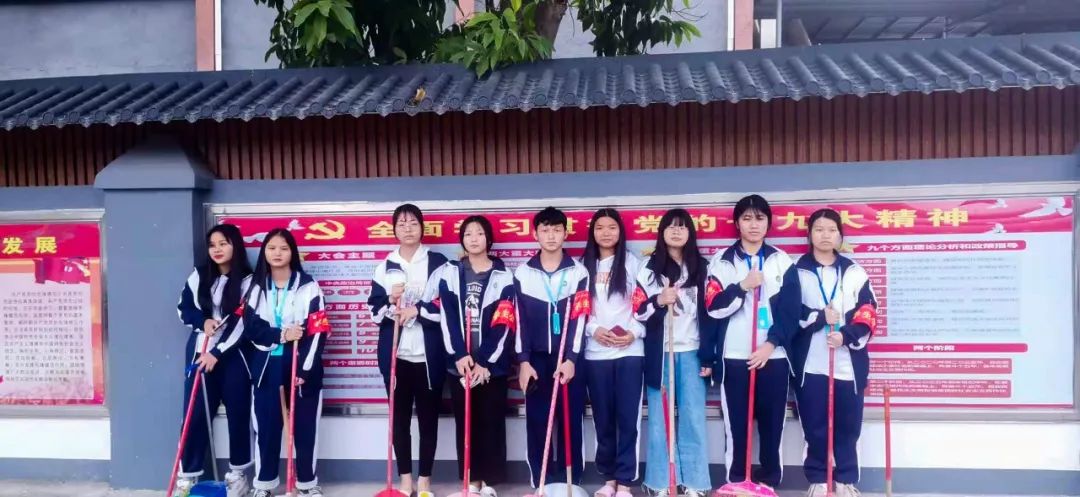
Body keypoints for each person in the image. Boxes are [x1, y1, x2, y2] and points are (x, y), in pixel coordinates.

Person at [776, 209, 878, 497]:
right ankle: (819, 478)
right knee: (814, 425)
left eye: (831, 230)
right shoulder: (796, 271)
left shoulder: (855, 272)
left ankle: (846, 479)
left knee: (849, 425)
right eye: (819, 229)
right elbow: (788, 313)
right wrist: (820, 317)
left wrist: (846, 335)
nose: (825, 235)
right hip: (811, 364)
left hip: (847, 364)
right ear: (809, 235)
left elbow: (869, 312)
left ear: (840, 235)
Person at [702, 194, 794, 490]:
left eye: (760, 218)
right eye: (747, 218)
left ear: (769, 223)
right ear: (737, 223)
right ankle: (737, 483)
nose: (754, 225)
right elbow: (713, 306)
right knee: (736, 427)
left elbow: (791, 313)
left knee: (772, 426)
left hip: (773, 357)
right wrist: (742, 286)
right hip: (734, 357)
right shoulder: (722, 261)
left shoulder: (781, 261)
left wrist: (771, 344)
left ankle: (768, 484)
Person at [367, 203, 449, 497]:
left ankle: (424, 480)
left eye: (413, 223)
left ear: (422, 227)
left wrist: (417, 310)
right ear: (394, 230)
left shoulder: (439, 263)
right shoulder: (385, 265)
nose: (408, 229)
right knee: (399, 421)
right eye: (401, 224)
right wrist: (390, 301)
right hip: (396, 356)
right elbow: (373, 311)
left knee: (428, 420)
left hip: (429, 356)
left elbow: (447, 306)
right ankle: (405, 480)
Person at [243, 228, 330, 497]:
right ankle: (264, 485)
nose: (277, 253)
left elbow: (318, 329)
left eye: (283, 248)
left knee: (305, 428)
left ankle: (307, 484)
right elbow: (251, 328)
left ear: (293, 252)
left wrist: (305, 369)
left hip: (301, 366)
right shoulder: (255, 287)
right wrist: (282, 334)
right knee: (266, 429)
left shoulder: (308, 286)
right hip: (267, 366)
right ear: (264, 253)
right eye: (271, 248)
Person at [633, 208, 713, 497]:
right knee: (659, 419)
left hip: (692, 353)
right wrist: (658, 300)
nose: (676, 231)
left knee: (693, 418)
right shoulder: (648, 268)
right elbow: (637, 311)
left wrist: (709, 356)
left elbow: (712, 315)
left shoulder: (702, 267)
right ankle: (661, 482)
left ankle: (695, 482)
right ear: (662, 232)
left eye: (682, 227)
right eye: (671, 226)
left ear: (690, 232)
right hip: (660, 354)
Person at [435, 215, 515, 497]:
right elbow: (447, 317)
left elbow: (505, 321)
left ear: (488, 239)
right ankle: (471, 479)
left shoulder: (504, 276)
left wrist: (484, 361)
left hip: (491, 366)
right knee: (466, 423)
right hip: (460, 365)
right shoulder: (450, 273)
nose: (473, 238)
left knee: (491, 421)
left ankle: (489, 481)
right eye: (468, 234)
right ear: (462, 240)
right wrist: (459, 354)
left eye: (479, 233)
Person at [174, 224, 254, 497]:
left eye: (223, 243)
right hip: (200, 353)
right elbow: (183, 308)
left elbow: (243, 323)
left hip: (234, 358)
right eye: (212, 245)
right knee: (193, 414)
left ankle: (238, 476)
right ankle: (188, 477)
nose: (217, 249)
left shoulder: (249, 281)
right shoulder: (199, 276)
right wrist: (203, 321)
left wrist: (217, 353)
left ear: (235, 245)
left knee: (238, 414)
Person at [513, 206, 590, 490]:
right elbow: (518, 321)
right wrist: (523, 361)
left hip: (568, 361)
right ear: (535, 234)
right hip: (535, 361)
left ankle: (571, 482)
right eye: (545, 230)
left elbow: (580, 320)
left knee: (570, 421)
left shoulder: (578, 272)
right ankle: (541, 482)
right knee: (537, 421)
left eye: (557, 230)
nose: (551, 236)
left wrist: (571, 359)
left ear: (565, 233)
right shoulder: (523, 273)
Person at [580, 208, 644, 497]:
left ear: (621, 231)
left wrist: (633, 332)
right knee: (603, 419)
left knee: (628, 420)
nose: (606, 233)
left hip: (630, 353)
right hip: (596, 354)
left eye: (612, 227)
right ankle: (608, 480)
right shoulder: (583, 267)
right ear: (592, 233)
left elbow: (644, 306)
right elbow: (577, 311)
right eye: (600, 228)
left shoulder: (634, 264)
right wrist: (593, 329)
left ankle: (625, 482)